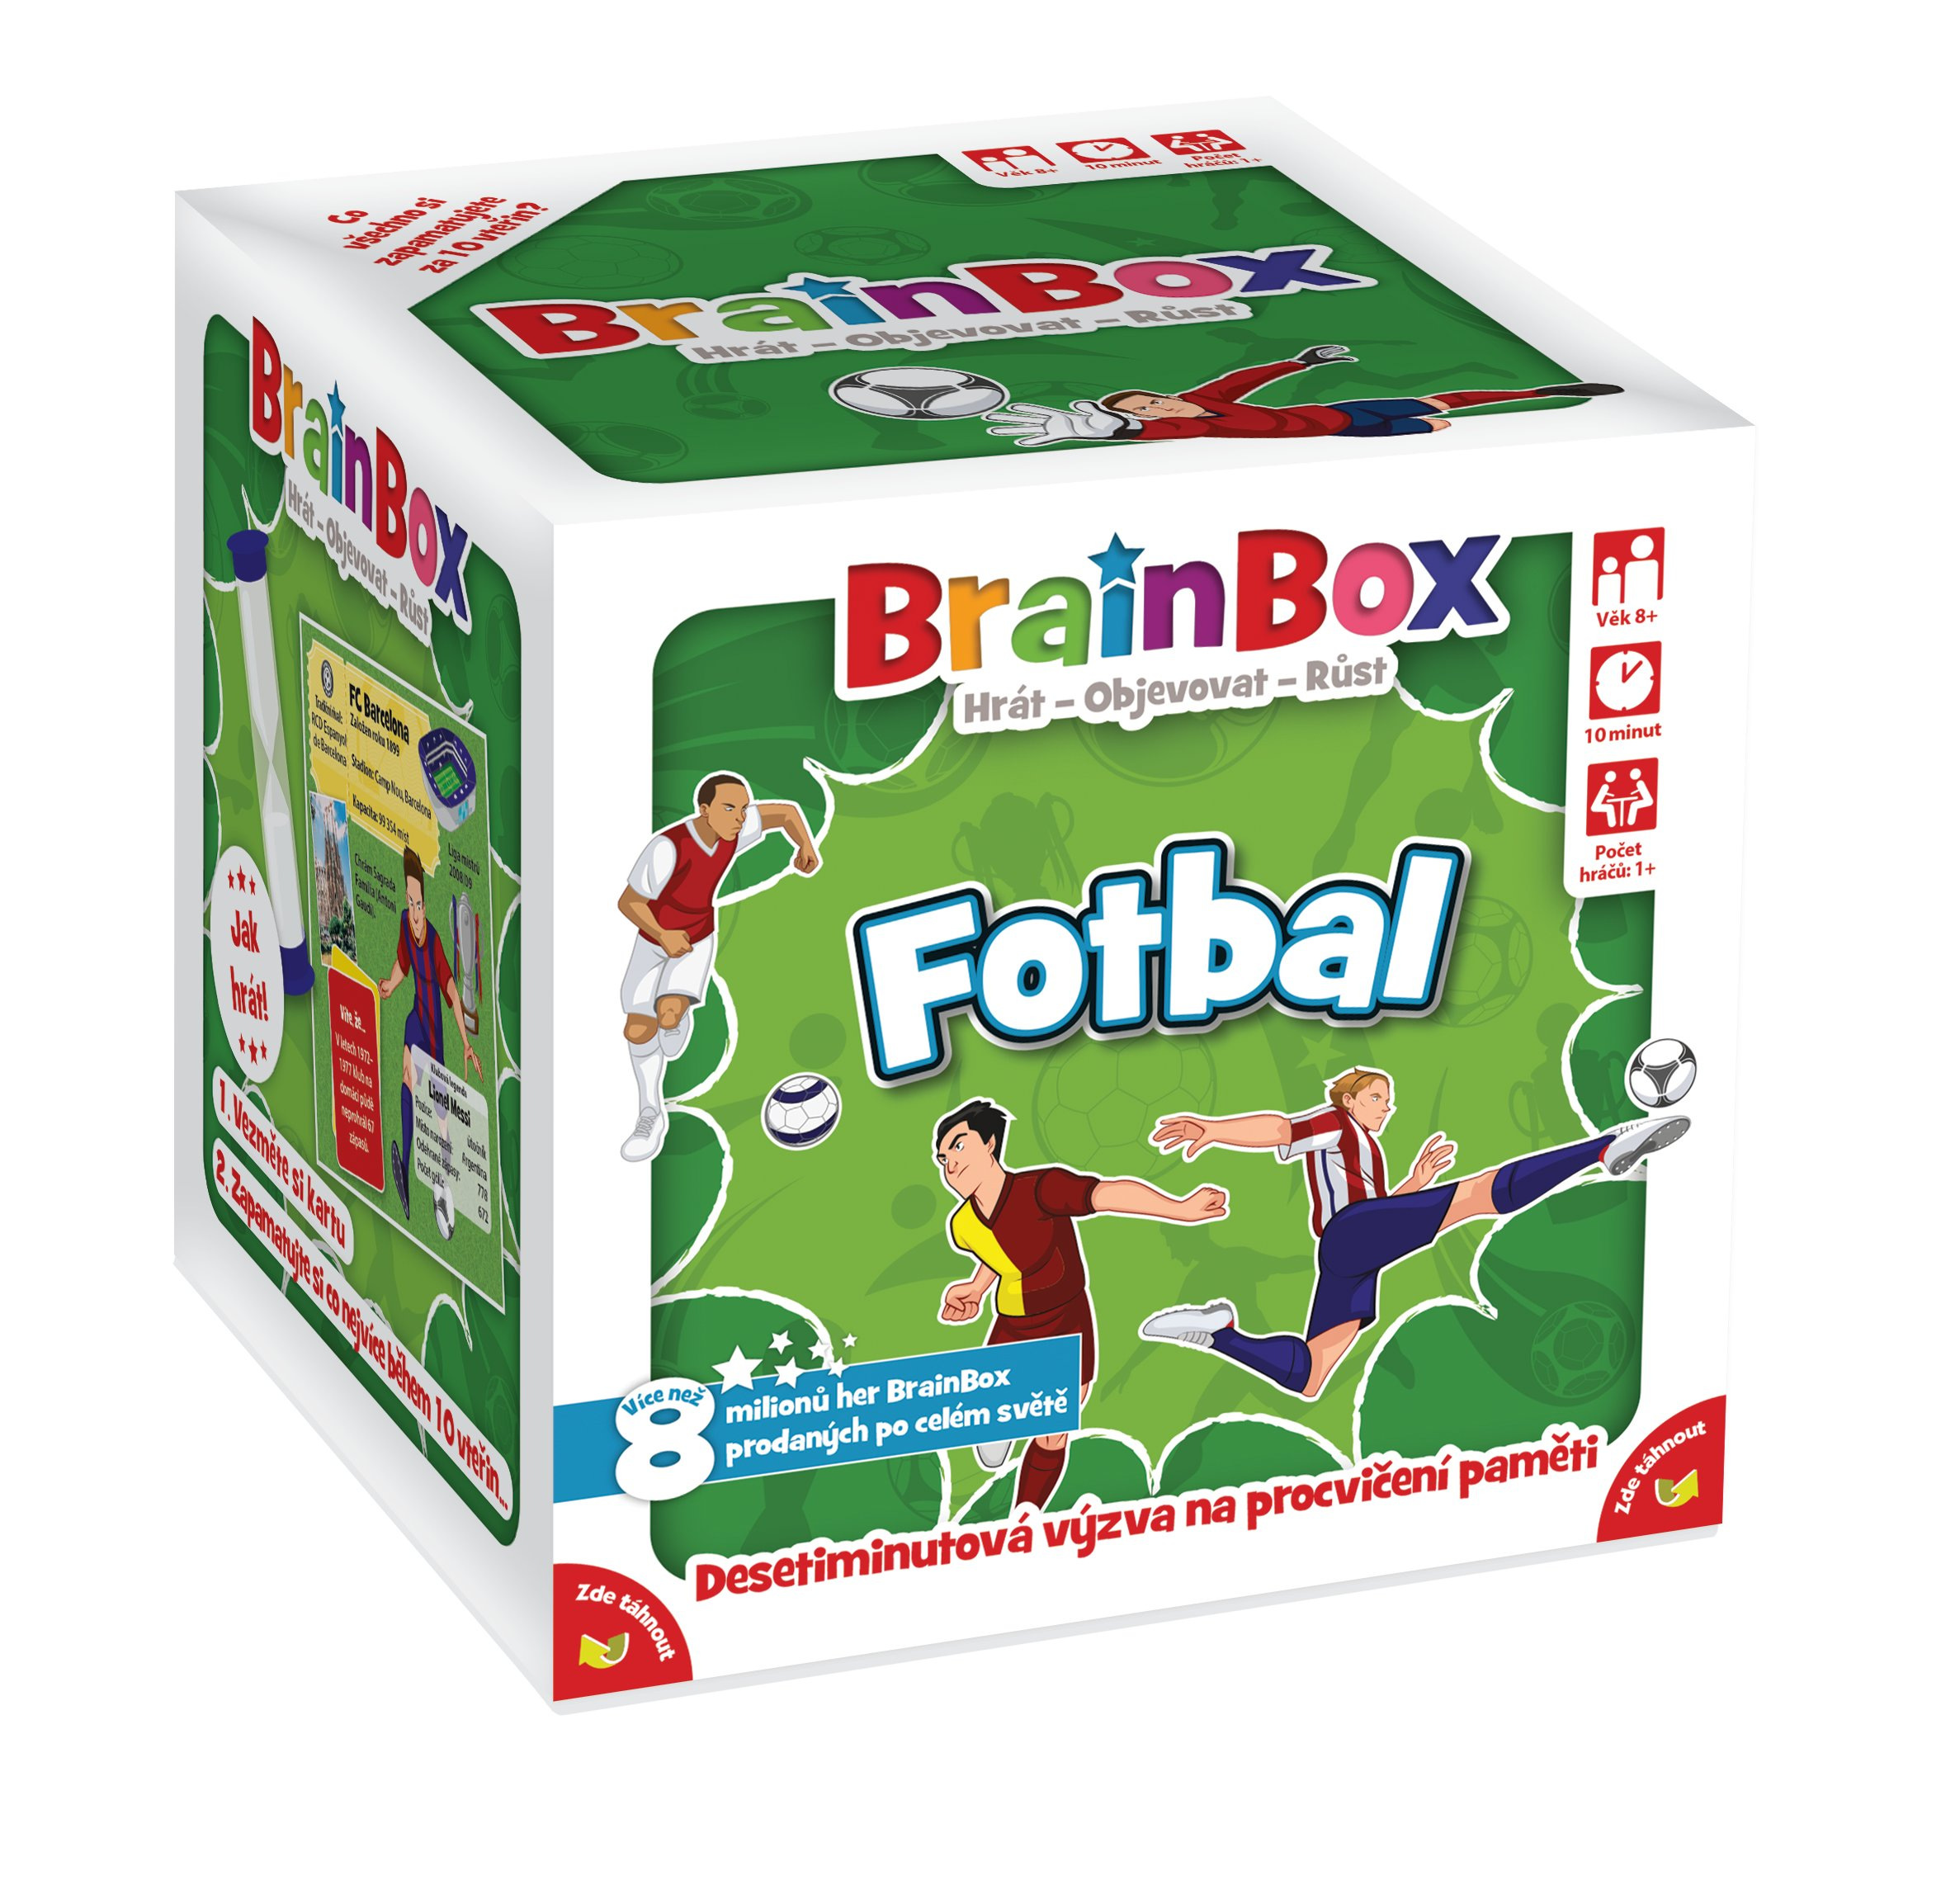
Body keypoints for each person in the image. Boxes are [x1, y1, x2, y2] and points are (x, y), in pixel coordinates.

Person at [1139, 1068, 1686, 1400]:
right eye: (1377, 1096)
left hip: (1353, 1252)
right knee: (1476, 1195)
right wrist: (1213, 1129)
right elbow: (1280, 1128)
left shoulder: (1365, 1148)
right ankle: (1602, 1147)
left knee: (1311, 1375)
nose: (1387, 1105)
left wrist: (1415, 1183)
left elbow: (1381, 1212)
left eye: (1388, 1098)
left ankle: (1219, 1332)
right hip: (1350, 1236)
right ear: (1350, 1100)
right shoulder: (1335, 1123)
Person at [933, 1098, 1227, 1509]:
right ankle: (999, 1422)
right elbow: (996, 1252)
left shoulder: (1041, 1189)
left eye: (959, 1147)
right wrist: (976, 1289)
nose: (950, 1164)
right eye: (943, 1158)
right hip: (1012, 1326)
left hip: (1066, 1320)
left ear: (990, 1144)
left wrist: (1179, 1208)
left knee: (1053, 1432)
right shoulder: (962, 1224)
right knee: (991, 1431)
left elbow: (1107, 1194)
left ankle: (1024, 1514)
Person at [618, 772, 819, 1162]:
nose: (740, 818)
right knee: (637, 1028)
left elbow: (787, 813)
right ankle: (650, 1113)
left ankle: (675, 1019)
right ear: (704, 809)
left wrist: (805, 846)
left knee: (668, 1013)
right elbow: (629, 902)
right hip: (653, 940)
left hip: (697, 938)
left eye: (744, 809)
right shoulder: (666, 848)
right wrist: (662, 934)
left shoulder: (733, 832)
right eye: (730, 809)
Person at [985, 345, 1622, 447]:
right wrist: (1118, 431)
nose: (1158, 409)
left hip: (1335, 411)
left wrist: (1301, 361)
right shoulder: (1194, 427)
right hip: (1346, 433)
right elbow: (1170, 433)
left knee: (1443, 403)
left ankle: (1544, 388)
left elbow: (1245, 381)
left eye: (1151, 401)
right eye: (1142, 411)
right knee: (1436, 430)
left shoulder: (1202, 399)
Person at [377, 847, 483, 1220]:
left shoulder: (435, 940)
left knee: (441, 1118)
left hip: (435, 1032)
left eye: (419, 904)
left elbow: (451, 991)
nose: (415, 912)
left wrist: (466, 1044)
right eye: (410, 903)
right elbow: (402, 963)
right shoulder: (405, 924)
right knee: (407, 1076)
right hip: (415, 1023)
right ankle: (404, 1170)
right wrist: (391, 984)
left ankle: (443, 1183)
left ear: (426, 902)